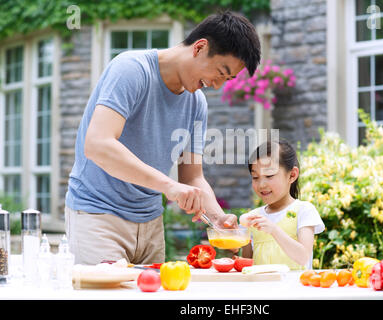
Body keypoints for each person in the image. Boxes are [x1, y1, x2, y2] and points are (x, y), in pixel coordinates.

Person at [64, 11, 261, 265]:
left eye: (228, 79)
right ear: (200, 47)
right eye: (221, 72)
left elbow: (192, 177)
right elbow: (98, 145)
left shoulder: (196, 103)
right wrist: (169, 187)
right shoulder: (132, 70)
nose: (217, 85)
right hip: (98, 217)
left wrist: (218, 218)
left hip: (150, 225)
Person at [240, 140, 325, 270]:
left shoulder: (304, 210)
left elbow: (304, 257)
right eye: (255, 177)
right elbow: (246, 265)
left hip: (295, 289)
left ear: (292, 175)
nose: (261, 184)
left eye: (269, 175)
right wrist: (236, 241)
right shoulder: (253, 217)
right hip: (260, 289)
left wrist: (274, 230)